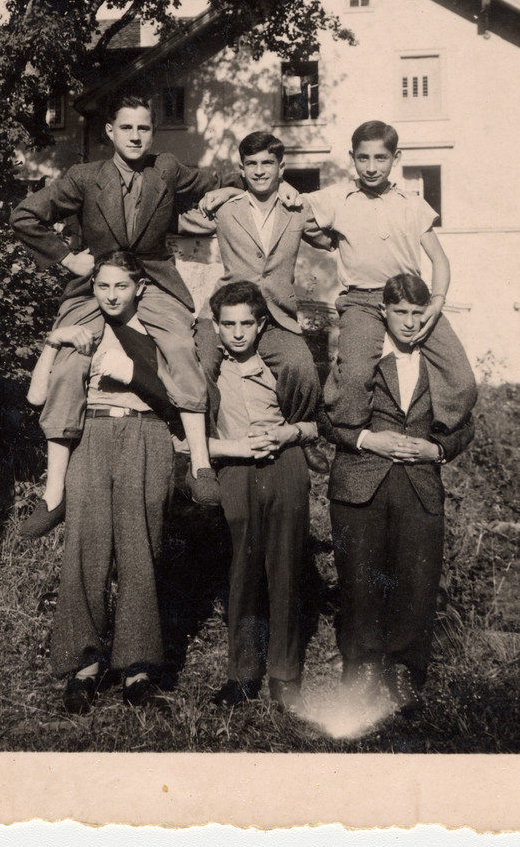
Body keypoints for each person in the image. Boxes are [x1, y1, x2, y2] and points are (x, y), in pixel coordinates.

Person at [11, 92, 244, 531]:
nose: (137, 136)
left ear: (151, 133)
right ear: (110, 131)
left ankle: (200, 466)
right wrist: (66, 257)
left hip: (153, 281)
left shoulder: (166, 169)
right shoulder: (83, 177)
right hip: (95, 284)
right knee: (69, 362)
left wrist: (236, 189)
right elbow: (25, 215)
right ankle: (54, 495)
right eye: (128, 128)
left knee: (178, 345)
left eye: (144, 128)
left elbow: (217, 182)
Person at [33, 251, 180, 714]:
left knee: (142, 549)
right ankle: (84, 668)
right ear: (93, 287)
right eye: (103, 286)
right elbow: (38, 394)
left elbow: (187, 395)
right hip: (92, 435)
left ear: (139, 287)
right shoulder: (83, 330)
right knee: (85, 549)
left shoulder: (161, 329)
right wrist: (54, 342)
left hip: (147, 434)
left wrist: (137, 374)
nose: (111, 295)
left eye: (121, 286)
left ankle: (137, 670)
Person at [322, 273, 475, 711]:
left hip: (420, 487)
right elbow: (327, 418)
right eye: (401, 313)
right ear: (383, 312)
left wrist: (437, 448)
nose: (409, 323)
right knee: (360, 580)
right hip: (359, 483)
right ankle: (363, 669)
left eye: (417, 313)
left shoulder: (440, 364)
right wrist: (369, 439)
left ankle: (405, 671)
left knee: (416, 583)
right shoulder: (358, 359)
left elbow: (467, 424)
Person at [305, 119, 477, 436]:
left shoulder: (412, 204)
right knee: (355, 376)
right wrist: (326, 238)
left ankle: (431, 435)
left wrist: (436, 303)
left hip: (411, 299)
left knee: (461, 379)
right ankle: (350, 436)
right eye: (363, 158)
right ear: (352, 156)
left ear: (395, 158)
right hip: (362, 301)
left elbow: (440, 259)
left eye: (380, 158)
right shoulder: (337, 197)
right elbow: (293, 210)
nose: (371, 167)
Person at [206, 281, 317, 715]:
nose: (237, 333)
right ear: (215, 326)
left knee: (286, 570)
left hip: (284, 467)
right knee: (242, 572)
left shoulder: (282, 366)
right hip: (235, 473)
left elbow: (313, 425)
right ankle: (242, 676)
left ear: (261, 324)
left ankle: (285, 677)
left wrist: (289, 431)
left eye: (246, 324)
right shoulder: (208, 373)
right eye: (228, 324)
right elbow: (187, 438)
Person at [194, 130, 331, 434]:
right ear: (241, 169)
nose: (259, 171)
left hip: (275, 316)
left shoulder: (298, 208)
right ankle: (208, 440)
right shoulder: (224, 208)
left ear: (281, 168)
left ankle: (300, 434)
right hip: (224, 314)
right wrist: (228, 190)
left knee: (302, 368)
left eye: (267, 163)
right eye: (251, 164)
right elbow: (175, 213)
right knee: (201, 364)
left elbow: (333, 236)